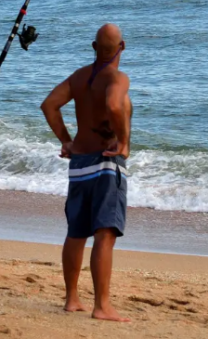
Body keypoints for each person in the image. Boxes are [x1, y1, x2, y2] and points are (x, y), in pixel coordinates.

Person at [40, 23, 132, 322]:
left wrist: (67, 141)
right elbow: (113, 105)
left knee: (77, 233)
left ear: (94, 47)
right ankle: (102, 306)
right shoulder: (117, 78)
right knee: (104, 234)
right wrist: (123, 142)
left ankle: (72, 299)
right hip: (106, 163)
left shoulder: (80, 77)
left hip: (80, 164)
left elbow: (49, 105)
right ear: (122, 47)